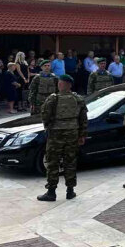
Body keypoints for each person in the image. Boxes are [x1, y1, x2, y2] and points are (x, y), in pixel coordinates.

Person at [37, 74, 87, 202]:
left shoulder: (53, 99)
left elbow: (45, 116)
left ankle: (51, 192)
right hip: (72, 133)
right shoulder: (78, 99)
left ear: (61, 84)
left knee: (53, 162)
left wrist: (48, 126)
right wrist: (81, 135)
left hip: (56, 134)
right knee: (70, 162)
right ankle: (70, 191)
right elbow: (83, 120)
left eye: (60, 83)